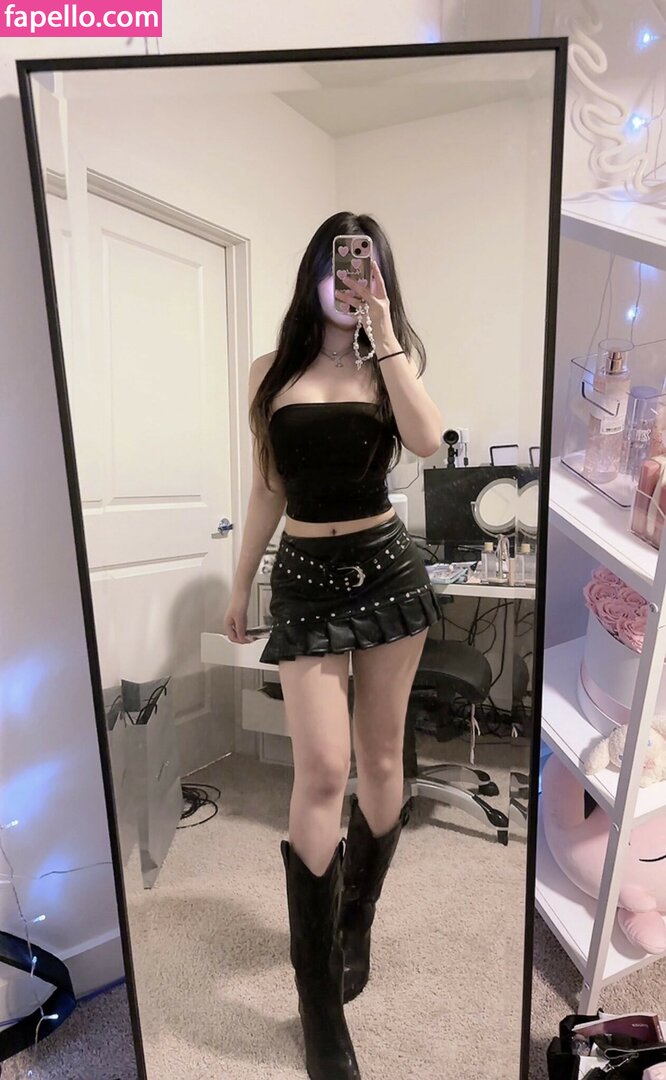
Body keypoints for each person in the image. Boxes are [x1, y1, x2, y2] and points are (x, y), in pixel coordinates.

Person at [223, 211, 443, 1079]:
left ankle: (357, 920)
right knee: (320, 769)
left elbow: (427, 441)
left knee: (381, 759)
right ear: (317, 270)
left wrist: (383, 333)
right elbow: (267, 488)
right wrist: (240, 583)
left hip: (387, 571)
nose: (352, 278)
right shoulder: (269, 371)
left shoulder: (393, 360)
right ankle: (318, 1005)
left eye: (368, 266)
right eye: (342, 264)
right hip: (306, 580)